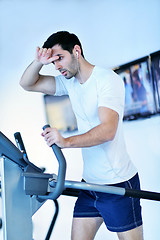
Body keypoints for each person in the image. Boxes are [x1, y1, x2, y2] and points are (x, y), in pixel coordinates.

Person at [20, 31, 143, 240]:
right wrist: (38, 62)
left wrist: (65, 142)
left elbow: (108, 131)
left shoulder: (106, 80)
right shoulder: (69, 83)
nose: (57, 66)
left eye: (60, 58)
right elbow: (27, 83)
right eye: (53, 62)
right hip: (90, 184)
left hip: (117, 183)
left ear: (76, 51)